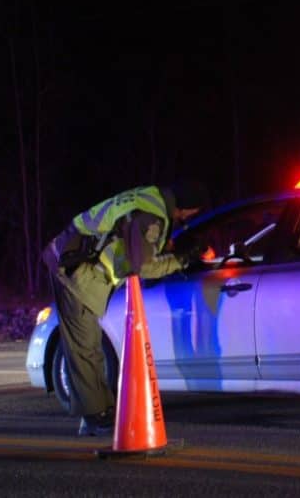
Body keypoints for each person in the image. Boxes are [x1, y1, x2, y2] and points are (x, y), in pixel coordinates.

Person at [42, 181, 210, 437]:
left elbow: (126, 237)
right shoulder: (153, 216)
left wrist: (169, 249)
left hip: (74, 260)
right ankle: (95, 416)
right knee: (84, 347)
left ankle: (99, 412)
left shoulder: (149, 198)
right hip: (76, 272)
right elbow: (141, 267)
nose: (187, 219)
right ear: (184, 209)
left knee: (89, 346)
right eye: (190, 214)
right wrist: (181, 260)